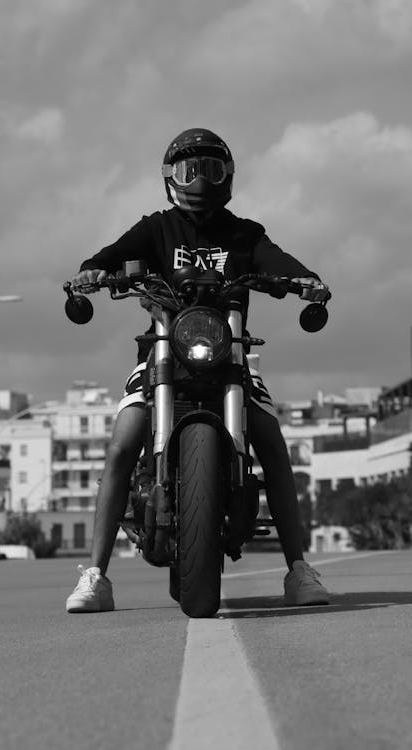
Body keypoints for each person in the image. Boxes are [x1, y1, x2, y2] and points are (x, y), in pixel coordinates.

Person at [66, 128, 330, 613]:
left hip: (232, 357)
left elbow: (278, 262)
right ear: (171, 177)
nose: (201, 178)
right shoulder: (156, 229)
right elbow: (102, 259)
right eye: (191, 169)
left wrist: (305, 281)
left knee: (271, 440)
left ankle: (297, 570)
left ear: (228, 175)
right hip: (162, 354)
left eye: (211, 168)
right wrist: (92, 273)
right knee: (124, 441)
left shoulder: (244, 234)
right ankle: (96, 576)